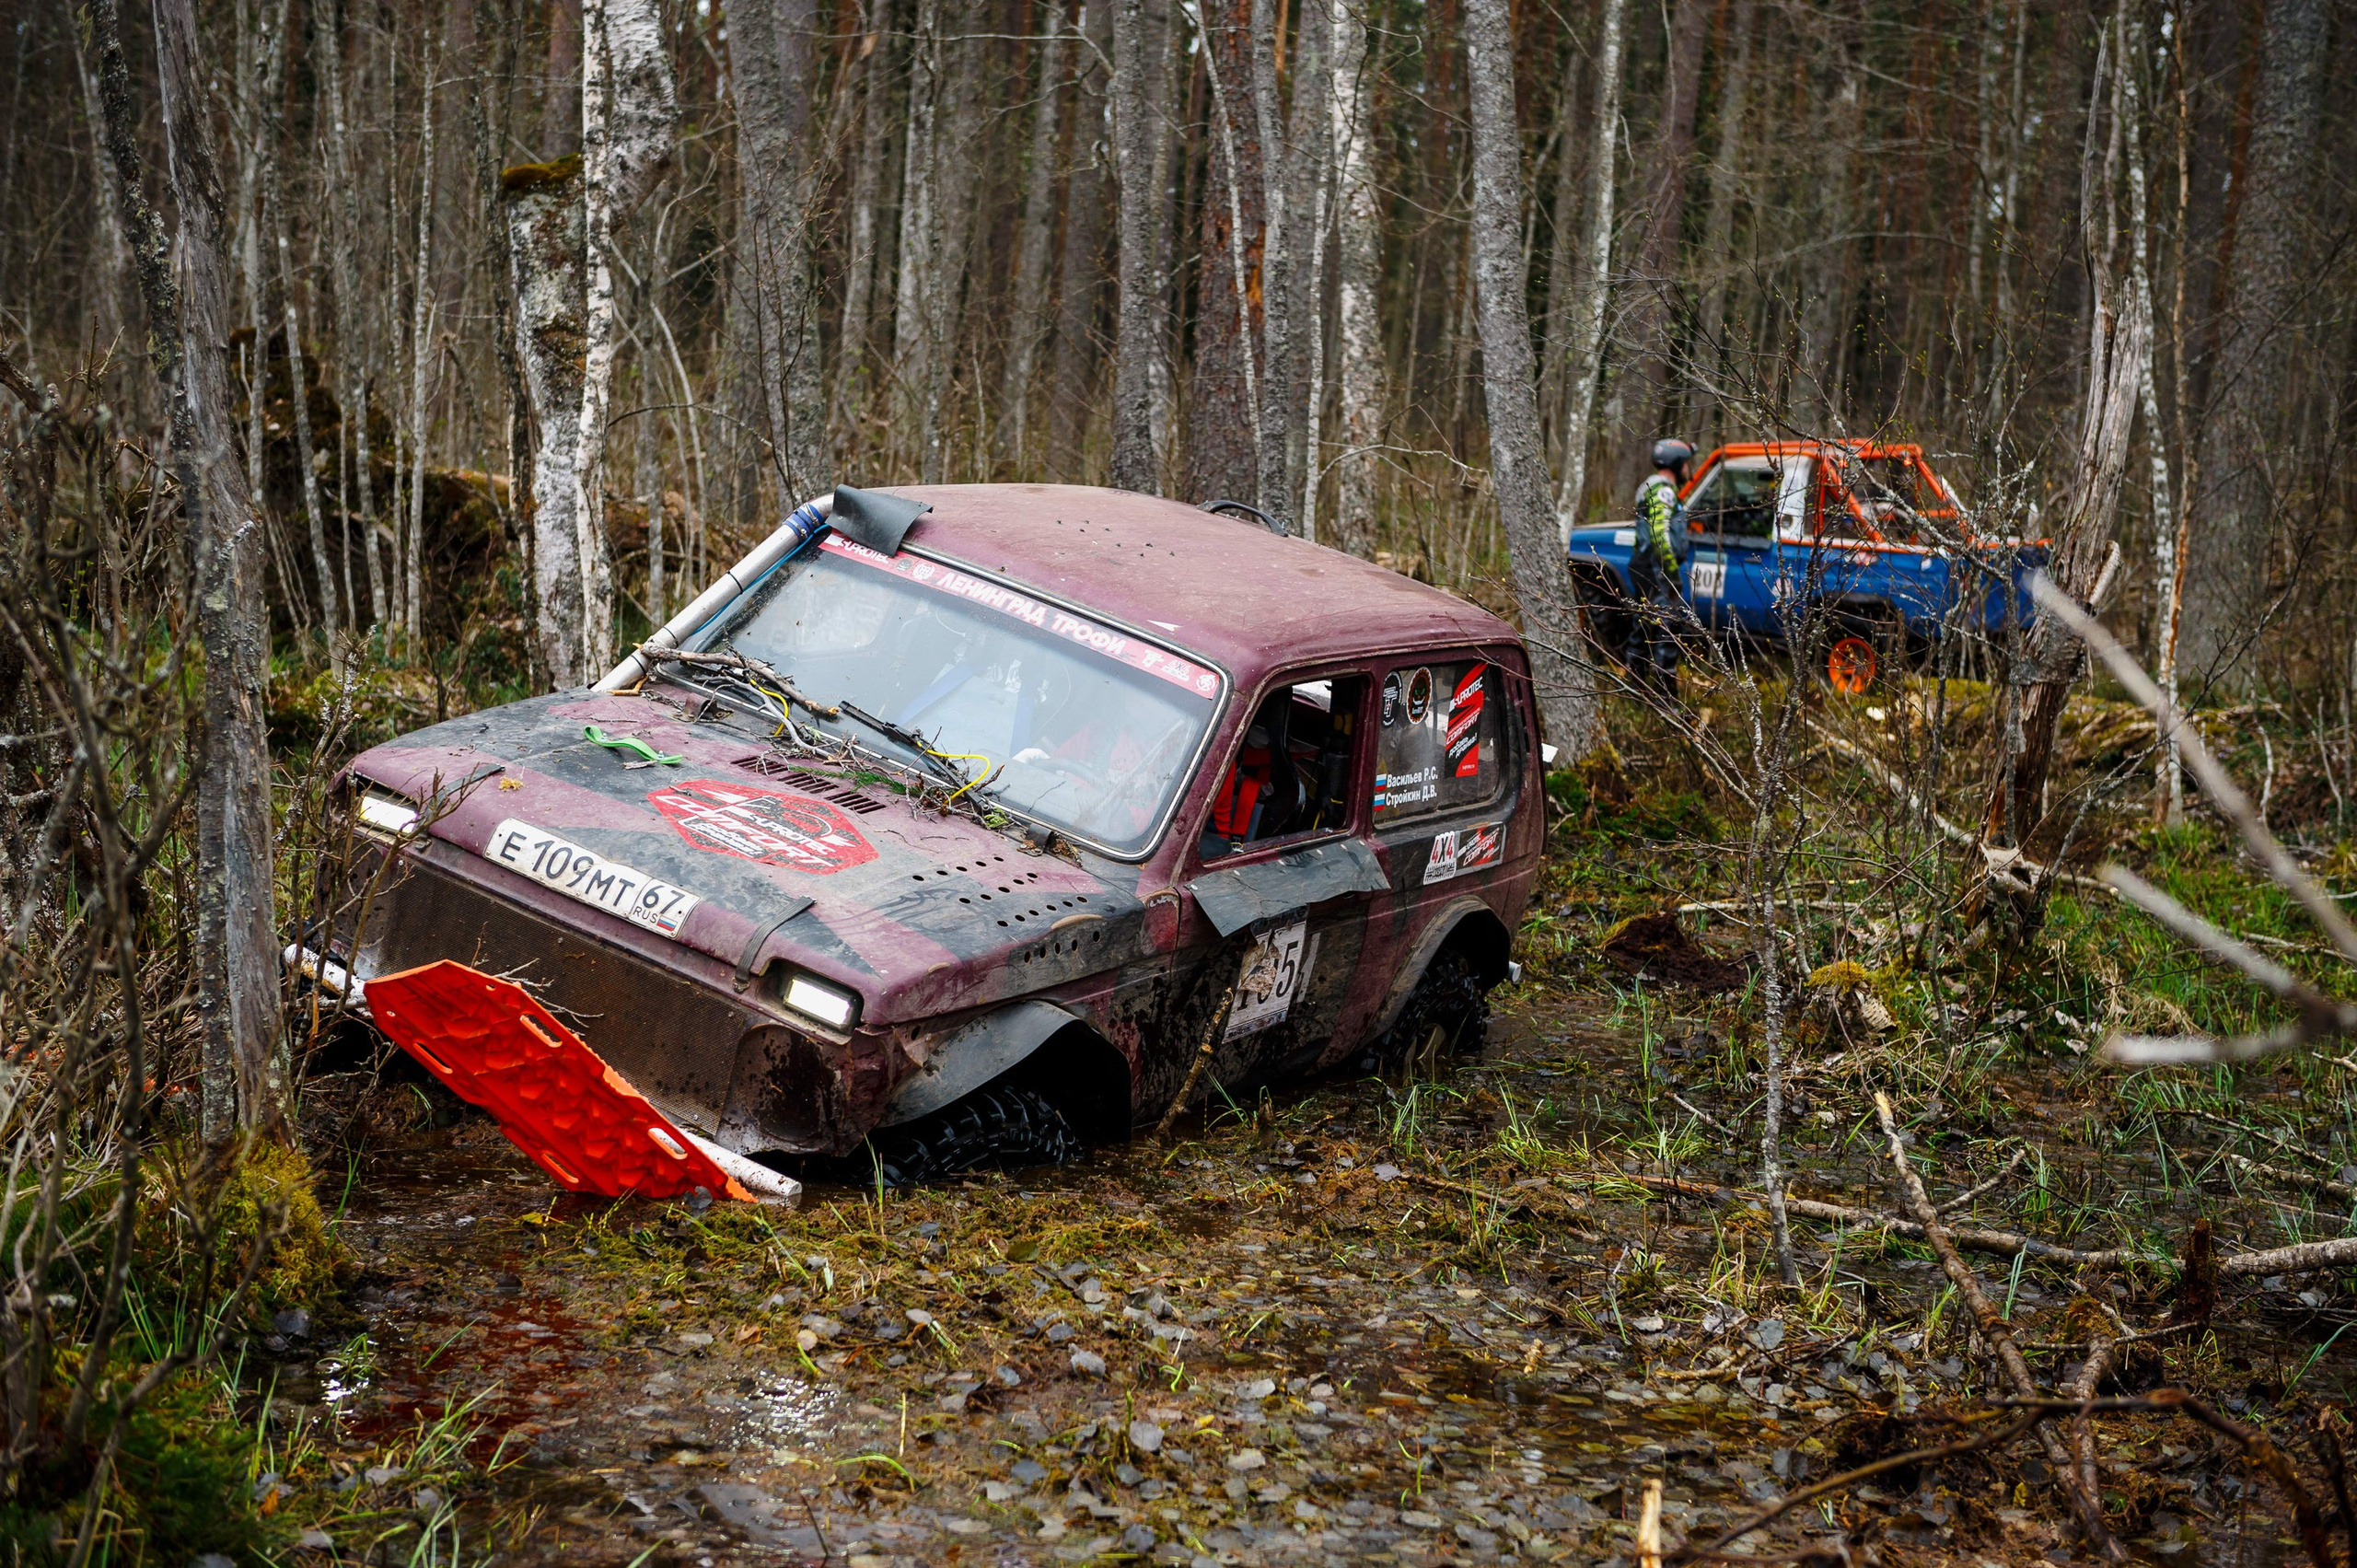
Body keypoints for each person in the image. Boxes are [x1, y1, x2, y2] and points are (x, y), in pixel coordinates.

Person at [1623, 438, 1695, 691]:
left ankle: (1636, 686)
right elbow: (1660, 532)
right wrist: (1671, 574)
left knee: (1643, 623)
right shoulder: (1663, 490)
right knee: (1668, 626)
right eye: (1686, 464)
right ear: (1677, 464)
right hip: (1656, 568)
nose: (1688, 469)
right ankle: (1666, 698)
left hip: (1645, 565)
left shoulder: (1653, 487)